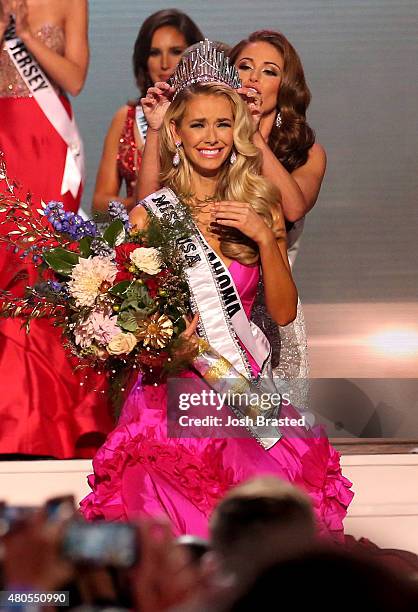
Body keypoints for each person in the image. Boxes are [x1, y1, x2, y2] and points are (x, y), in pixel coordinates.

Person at [81, 42, 353, 541]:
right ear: (178, 136)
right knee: (161, 499)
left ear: (238, 133)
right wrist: (162, 344)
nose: (212, 137)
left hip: (244, 392)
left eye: (223, 124)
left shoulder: (260, 204)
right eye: (198, 125)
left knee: (269, 499)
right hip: (171, 391)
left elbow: (283, 311)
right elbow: (122, 315)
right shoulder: (151, 214)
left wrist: (264, 238)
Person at [0, 0, 112, 458]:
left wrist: (24, 35)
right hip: (2, 137)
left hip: (47, 142)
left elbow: (76, 78)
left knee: (43, 266)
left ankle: (49, 419)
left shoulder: (70, 2)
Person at [92, 9, 203, 213]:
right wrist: (139, 201)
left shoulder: (210, 114)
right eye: (154, 53)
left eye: (176, 51)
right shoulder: (126, 117)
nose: (164, 64)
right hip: (140, 238)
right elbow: (99, 205)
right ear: (144, 60)